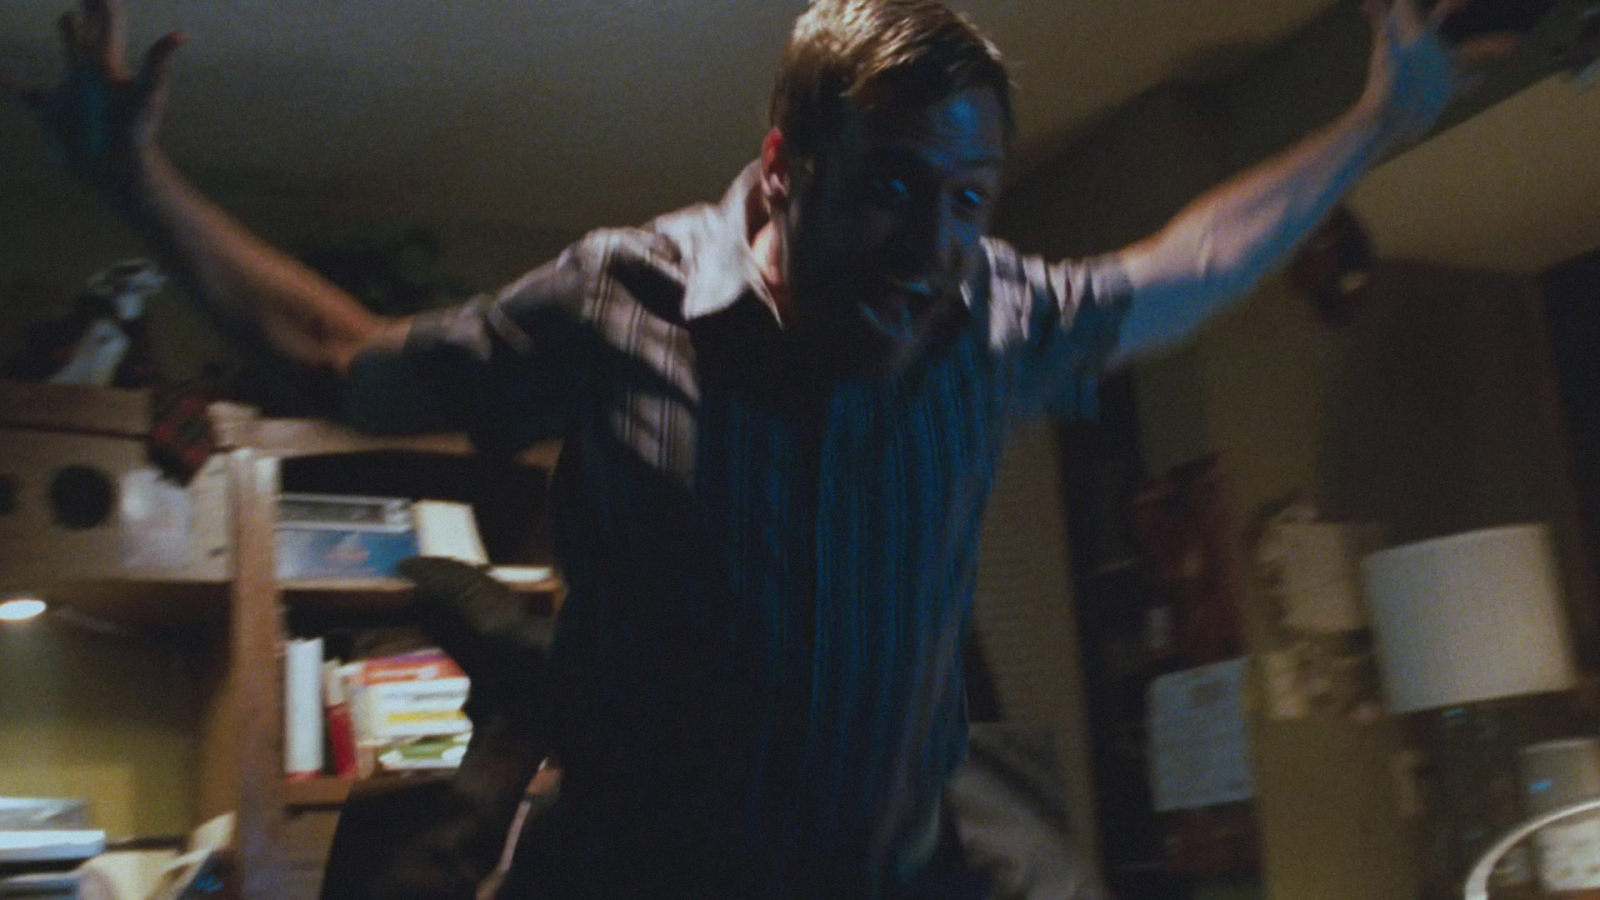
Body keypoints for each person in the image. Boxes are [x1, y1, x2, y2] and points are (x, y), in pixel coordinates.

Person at [3, 0, 1467, 896]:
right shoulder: (615, 300)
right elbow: (347, 363)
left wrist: (1372, 119)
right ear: (783, 169)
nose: (932, 248)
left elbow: (1185, 264)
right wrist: (136, 182)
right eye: (889, 187)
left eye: (968, 199)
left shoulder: (995, 313)